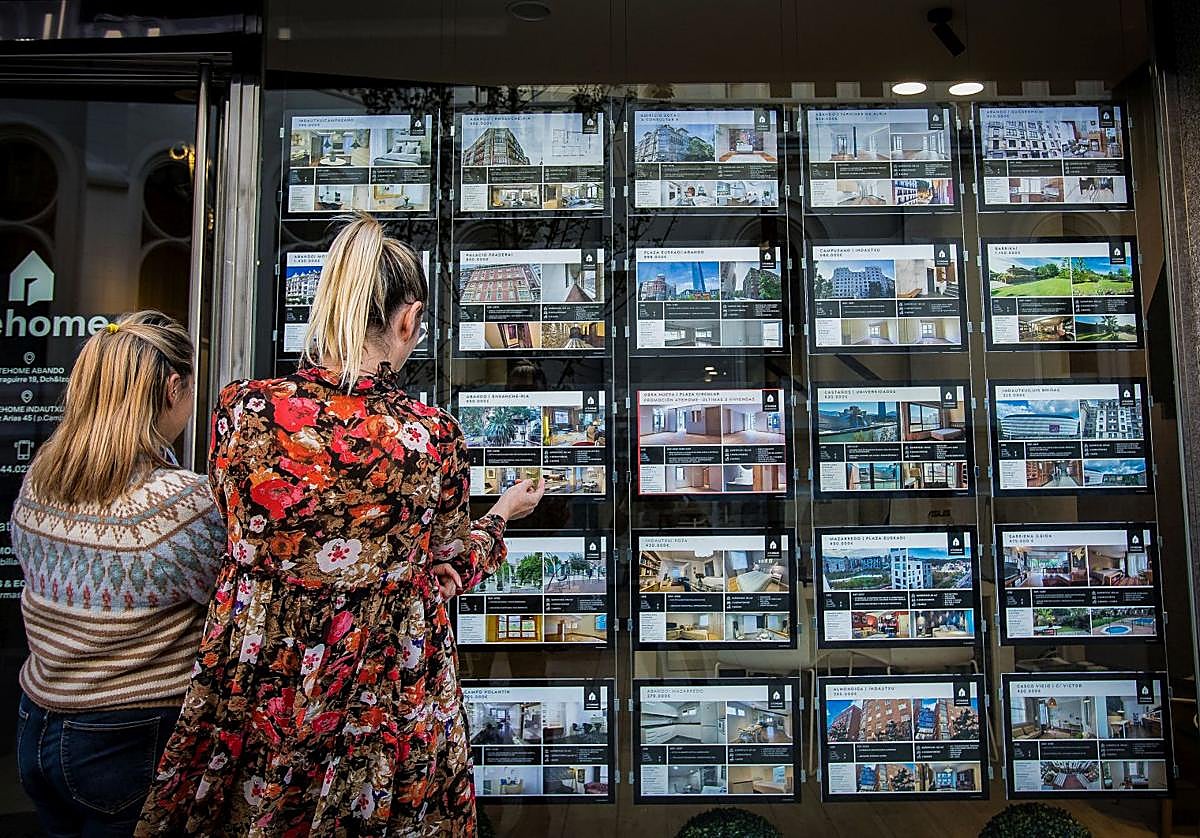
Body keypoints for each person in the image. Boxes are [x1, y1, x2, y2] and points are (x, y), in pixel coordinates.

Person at [136, 212, 544, 837]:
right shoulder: (428, 439)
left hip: (263, 688)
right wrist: (501, 517)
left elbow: (244, 534)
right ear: (408, 321)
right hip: (387, 700)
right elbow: (439, 573)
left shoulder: (242, 412)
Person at [11, 311, 226, 836]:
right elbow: (234, 605)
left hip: (37, 722)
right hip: (126, 736)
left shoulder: (42, 476)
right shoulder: (177, 505)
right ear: (173, 387)